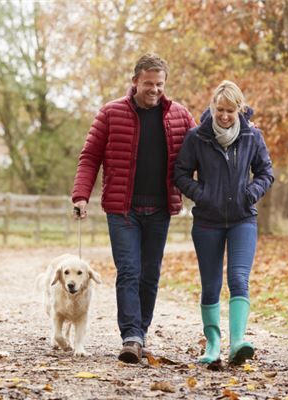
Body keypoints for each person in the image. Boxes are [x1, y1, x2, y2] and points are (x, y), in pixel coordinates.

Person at [72, 53, 195, 363]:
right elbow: (90, 157)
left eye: (160, 84)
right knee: (129, 270)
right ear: (135, 81)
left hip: (160, 210)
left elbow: (200, 154)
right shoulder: (111, 113)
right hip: (122, 210)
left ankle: (140, 332)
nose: (154, 90)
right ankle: (131, 336)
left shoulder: (180, 116)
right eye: (149, 84)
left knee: (150, 274)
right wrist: (80, 196)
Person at [174, 80, 274, 365]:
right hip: (207, 221)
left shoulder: (252, 137)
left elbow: (266, 173)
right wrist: (201, 196)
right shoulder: (197, 137)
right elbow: (180, 174)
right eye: (220, 109)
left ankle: (238, 341)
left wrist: (250, 194)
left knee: (239, 279)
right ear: (212, 108)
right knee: (210, 284)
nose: (225, 116)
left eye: (231, 110)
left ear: (239, 109)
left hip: (243, 219)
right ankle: (213, 344)